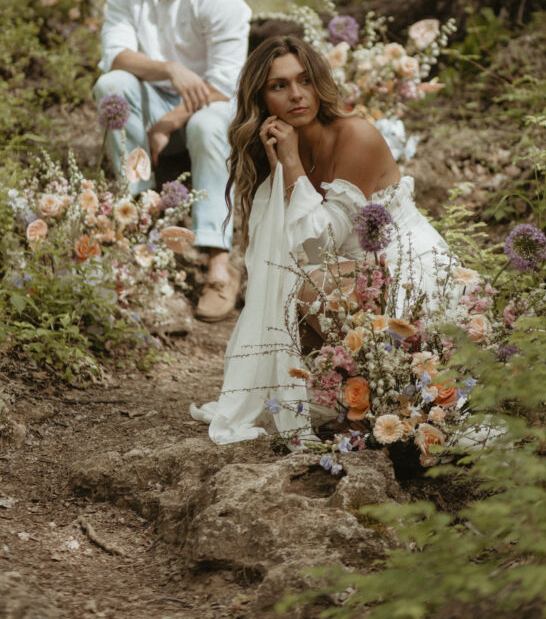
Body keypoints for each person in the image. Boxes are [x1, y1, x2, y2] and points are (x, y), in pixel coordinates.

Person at [190, 35, 455, 444]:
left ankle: (382, 401)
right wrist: (283, 162)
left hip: (407, 269)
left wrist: (292, 162)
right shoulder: (275, 151)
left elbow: (325, 243)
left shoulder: (356, 137)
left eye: (305, 80)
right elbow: (280, 253)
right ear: (261, 100)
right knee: (285, 301)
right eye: (279, 86)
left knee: (308, 290)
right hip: (352, 275)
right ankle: (363, 398)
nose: (296, 95)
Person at [94, 0, 251, 321]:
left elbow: (228, 79)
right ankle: (136, 229)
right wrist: (171, 69)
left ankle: (218, 264)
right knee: (111, 86)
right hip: (158, 91)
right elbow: (116, 56)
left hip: (214, 103)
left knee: (204, 127)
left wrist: (170, 121)